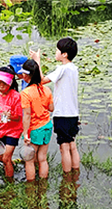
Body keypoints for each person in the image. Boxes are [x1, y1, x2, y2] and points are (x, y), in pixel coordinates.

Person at [30, 37, 81, 174]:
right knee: (72, 145)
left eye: (57, 50)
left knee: (64, 147)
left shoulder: (62, 69)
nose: (56, 52)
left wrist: (37, 61)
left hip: (62, 113)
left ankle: (67, 176)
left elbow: (41, 80)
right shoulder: (74, 69)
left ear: (64, 54)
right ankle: (76, 173)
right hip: (73, 113)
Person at [19, 59, 54, 181]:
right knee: (42, 158)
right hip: (47, 126)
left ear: (28, 75)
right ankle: (43, 184)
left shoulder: (26, 93)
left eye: (24, 73)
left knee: (29, 160)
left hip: (34, 129)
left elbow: (27, 115)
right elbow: (51, 108)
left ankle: (31, 186)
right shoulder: (47, 90)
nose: (22, 76)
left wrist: (25, 134)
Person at [0, 66, 23, 179]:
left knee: (6, 158)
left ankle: (9, 184)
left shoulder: (16, 96)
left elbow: (18, 117)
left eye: (4, 83)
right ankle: (9, 170)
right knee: (1, 158)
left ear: (10, 83)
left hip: (13, 131)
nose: (1, 86)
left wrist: (10, 116)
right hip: (0, 130)